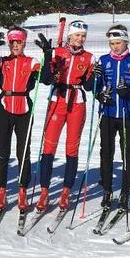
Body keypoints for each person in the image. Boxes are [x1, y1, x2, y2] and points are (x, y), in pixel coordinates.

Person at [34, 20, 95, 211]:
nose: (80, 39)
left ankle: (65, 192)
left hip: (77, 103)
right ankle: (44, 191)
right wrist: (47, 57)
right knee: (49, 146)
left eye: (83, 36)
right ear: (69, 36)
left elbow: (88, 86)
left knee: (72, 148)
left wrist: (94, 77)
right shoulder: (57, 53)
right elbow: (45, 80)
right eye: (76, 35)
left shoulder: (90, 57)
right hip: (57, 100)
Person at [0, 26, 41, 212]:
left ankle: (22, 190)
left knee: (23, 152)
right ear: (9, 43)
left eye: (19, 42)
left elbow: (46, 78)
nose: (16, 45)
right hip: (5, 107)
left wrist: (47, 53)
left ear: (24, 43)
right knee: (2, 151)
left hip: (23, 107)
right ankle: (2, 190)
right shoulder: (2, 61)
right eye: (12, 42)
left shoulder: (32, 62)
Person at [93, 25, 130, 212]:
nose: (115, 47)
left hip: (128, 114)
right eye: (112, 43)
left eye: (118, 43)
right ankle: (107, 189)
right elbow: (96, 85)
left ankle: (126, 191)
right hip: (108, 113)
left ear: (126, 42)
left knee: (127, 151)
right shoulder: (104, 60)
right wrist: (98, 93)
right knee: (106, 152)